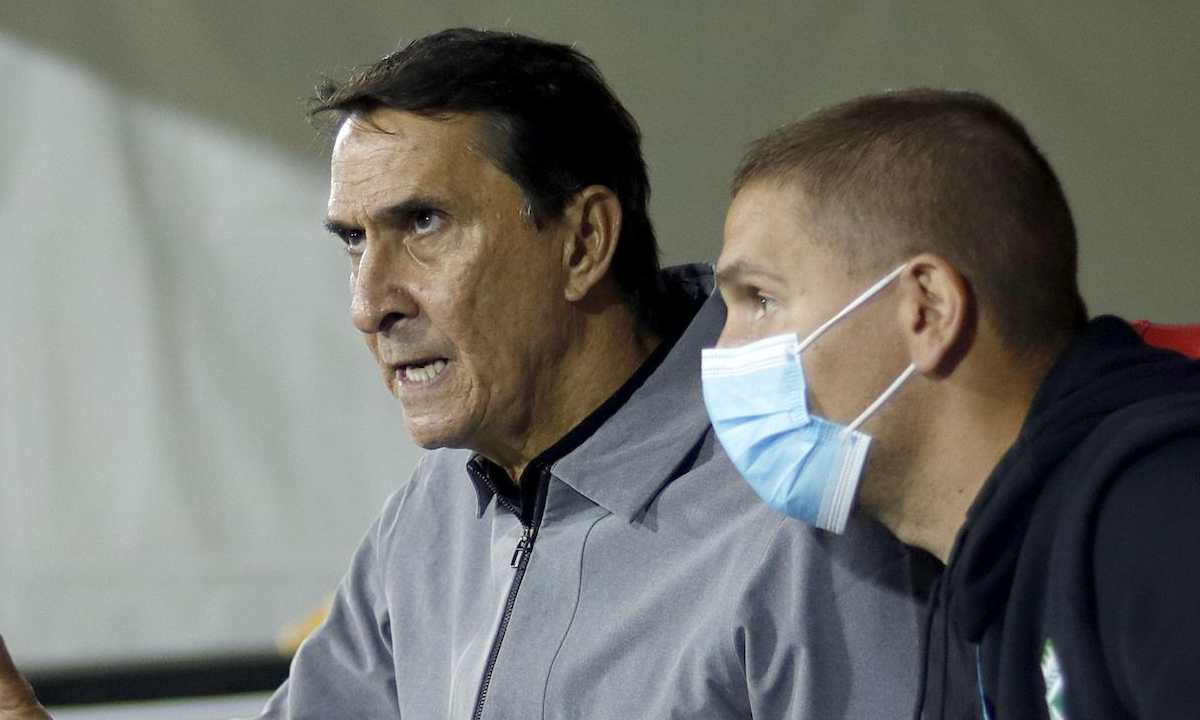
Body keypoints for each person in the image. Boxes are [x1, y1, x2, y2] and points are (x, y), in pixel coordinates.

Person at [0, 30, 938, 719]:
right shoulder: (433, 514)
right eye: (353, 241)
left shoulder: (809, 512)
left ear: (584, 240)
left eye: (423, 225)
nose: (370, 303)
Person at [702, 87, 1200, 719]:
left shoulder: (1161, 509)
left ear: (928, 309)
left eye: (761, 298)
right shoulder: (983, 583)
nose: (723, 349)